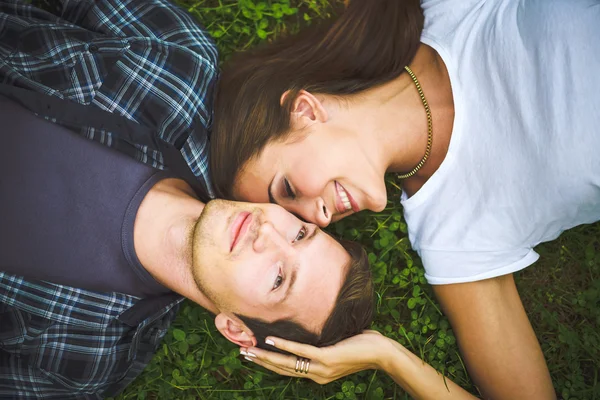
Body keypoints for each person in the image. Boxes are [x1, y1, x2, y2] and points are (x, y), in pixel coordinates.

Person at [209, 0, 600, 398]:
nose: (321, 219)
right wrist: (388, 356)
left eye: (288, 190)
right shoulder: (453, 233)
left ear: (305, 110)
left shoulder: (444, 10)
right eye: (299, 225)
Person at [0, 0, 374, 397]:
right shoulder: (180, 71)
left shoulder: (83, 362)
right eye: (299, 234)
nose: (270, 234)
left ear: (236, 328)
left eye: (279, 278)